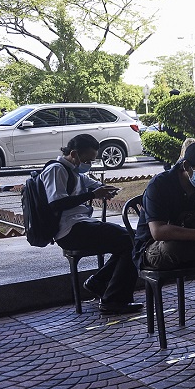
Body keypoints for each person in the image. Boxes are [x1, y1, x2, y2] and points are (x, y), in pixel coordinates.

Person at [41, 133, 140, 315]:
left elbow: (93, 184)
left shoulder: (75, 172)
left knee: (130, 241)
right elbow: (56, 203)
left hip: (81, 224)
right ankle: (112, 299)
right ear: (74, 154)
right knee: (131, 240)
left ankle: (100, 282)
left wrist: (105, 190)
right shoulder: (57, 170)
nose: (89, 164)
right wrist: (92, 195)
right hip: (70, 230)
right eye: (87, 160)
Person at [132, 141, 195, 273]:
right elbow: (158, 232)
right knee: (175, 248)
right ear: (186, 166)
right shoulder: (160, 185)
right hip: (155, 246)